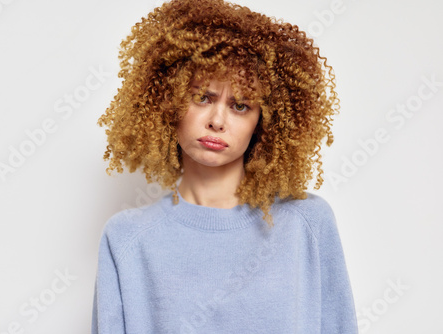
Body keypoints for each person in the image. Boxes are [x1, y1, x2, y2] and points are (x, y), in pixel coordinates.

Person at [92, 0, 358, 333]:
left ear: (264, 121)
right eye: (203, 97)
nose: (217, 120)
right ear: (168, 101)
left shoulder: (307, 224)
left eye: (241, 105)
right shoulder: (127, 238)